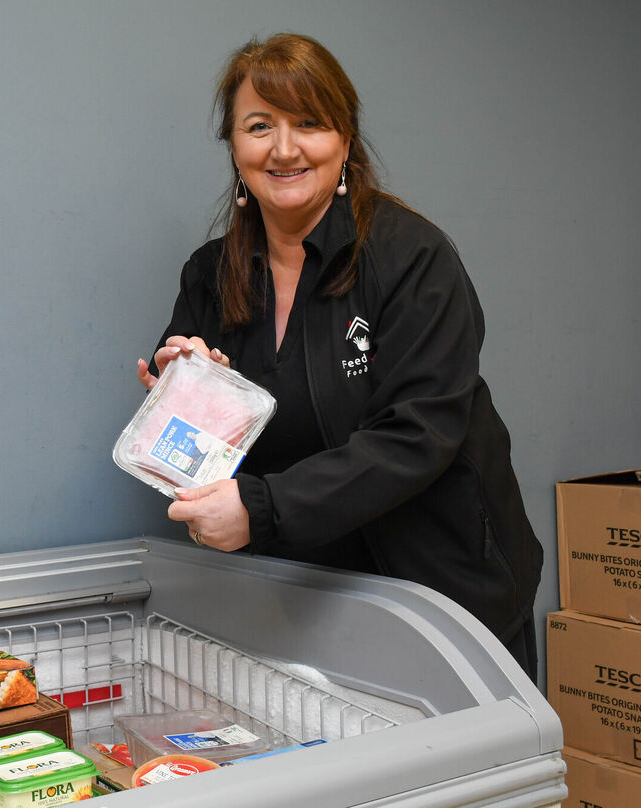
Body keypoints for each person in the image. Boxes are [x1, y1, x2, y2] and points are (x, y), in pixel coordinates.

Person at [135, 33, 542, 680]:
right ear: (235, 147)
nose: (285, 148)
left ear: (345, 141)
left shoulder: (412, 258)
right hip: (304, 609)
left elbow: (418, 435)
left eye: (309, 124)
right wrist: (184, 391)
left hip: (447, 597)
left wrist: (260, 510)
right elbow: (198, 456)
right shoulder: (210, 278)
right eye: (259, 125)